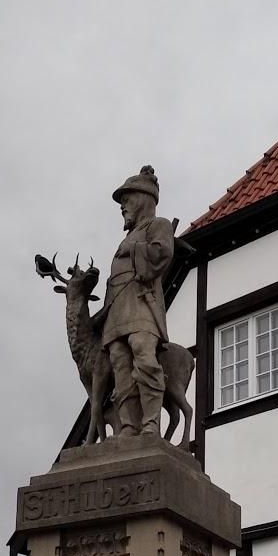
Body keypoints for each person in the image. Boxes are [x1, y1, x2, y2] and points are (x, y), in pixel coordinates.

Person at [100, 166, 174, 437]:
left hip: (143, 302)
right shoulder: (127, 236)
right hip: (117, 306)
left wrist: (137, 249)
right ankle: (128, 424)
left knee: (143, 351)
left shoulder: (159, 225)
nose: (122, 207)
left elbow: (162, 255)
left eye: (127, 200)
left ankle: (151, 422)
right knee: (119, 360)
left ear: (143, 198)